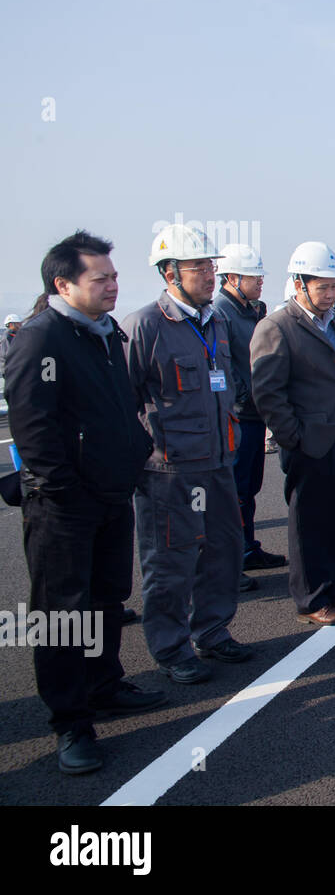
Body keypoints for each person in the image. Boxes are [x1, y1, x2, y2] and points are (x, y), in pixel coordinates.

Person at [6, 231, 164, 774]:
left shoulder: (101, 333)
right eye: (101, 279)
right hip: (64, 507)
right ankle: (70, 722)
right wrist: (64, 490)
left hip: (110, 495)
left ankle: (104, 684)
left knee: (105, 599)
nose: (113, 286)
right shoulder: (40, 338)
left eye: (115, 277)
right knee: (62, 615)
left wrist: (136, 450)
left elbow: (119, 405)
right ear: (63, 283)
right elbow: (33, 428)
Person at [123, 224, 253, 683]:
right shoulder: (144, 326)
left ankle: (212, 631)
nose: (209, 273)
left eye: (210, 265)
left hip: (218, 462)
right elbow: (123, 401)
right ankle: (172, 648)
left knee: (223, 550)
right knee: (171, 562)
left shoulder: (214, 321)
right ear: (169, 272)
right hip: (168, 471)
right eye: (198, 266)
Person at [250, 241, 335, 626]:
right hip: (311, 440)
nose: (329, 293)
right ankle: (312, 599)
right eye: (321, 286)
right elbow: (268, 393)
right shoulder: (277, 326)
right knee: (310, 521)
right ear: (299, 284)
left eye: (332, 285)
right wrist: (295, 437)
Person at [212, 243, 285, 591]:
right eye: (253, 277)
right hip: (240, 415)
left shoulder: (252, 311)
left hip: (256, 412)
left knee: (249, 488)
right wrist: (246, 396)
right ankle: (233, 557)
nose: (259, 283)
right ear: (231, 278)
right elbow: (224, 366)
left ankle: (248, 547)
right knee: (235, 491)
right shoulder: (220, 314)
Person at [0, 313, 21, 378]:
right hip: (10, 369)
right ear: (11, 324)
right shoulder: (7, 336)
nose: (20, 325)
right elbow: (9, 353)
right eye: (18, 323)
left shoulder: (13, 335)